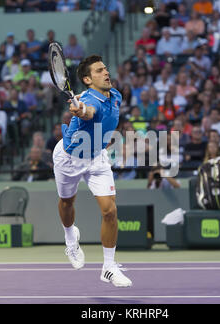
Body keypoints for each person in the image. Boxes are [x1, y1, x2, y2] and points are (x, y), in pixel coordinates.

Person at [52, 55, 132, 287]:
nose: (106, 72)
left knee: (110, 211)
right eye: (99, 71)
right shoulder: (90, 101)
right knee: (67, 202)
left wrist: (79, 101)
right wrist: (81, 109)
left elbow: (93, 105)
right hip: (69, 158)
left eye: (105, 68)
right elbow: (89, 111)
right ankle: (70, 238)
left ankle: (108, 268)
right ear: (88, 79)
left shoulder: (115, 95)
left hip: (97, 157)